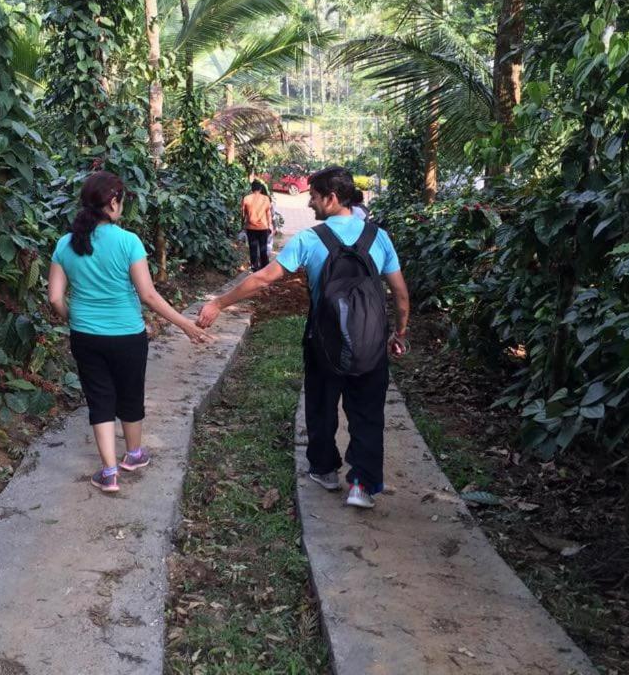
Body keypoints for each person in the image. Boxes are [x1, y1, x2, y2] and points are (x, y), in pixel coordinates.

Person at [198, 166, 409, 509]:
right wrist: (399, 333)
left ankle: (325, 470)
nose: (310, 203)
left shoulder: (312, 239)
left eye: (313, 196)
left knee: (322, 404)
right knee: (368, 413)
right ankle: (361, 486)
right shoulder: (378, 237)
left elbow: (265, 278)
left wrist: (220, 303)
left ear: (332, 198)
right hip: (371, 341)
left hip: (323, 339)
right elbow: (400, 293)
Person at [49, 172, 213, 494]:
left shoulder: (65, 244)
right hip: (127, 335)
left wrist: (76, 319)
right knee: (130, 393)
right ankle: (134, 455)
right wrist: (186, 325)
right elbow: (149, 296)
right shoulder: (129, 242)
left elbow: (55, 298)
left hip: (85, 336)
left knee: (99, 399)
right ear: (113, 203)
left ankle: (109, 472)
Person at [242, 180, 274, 271]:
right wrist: (270, 225)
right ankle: (264, 267)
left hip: (251, 228)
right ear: (260, 189)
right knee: (263, 247)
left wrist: (243, 224)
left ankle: (254, 267)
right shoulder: (266, 199)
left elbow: (243, 214)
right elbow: (268, 214)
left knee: (253, 248)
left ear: (252, 189)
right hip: (263, 227)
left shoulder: (246, 198)